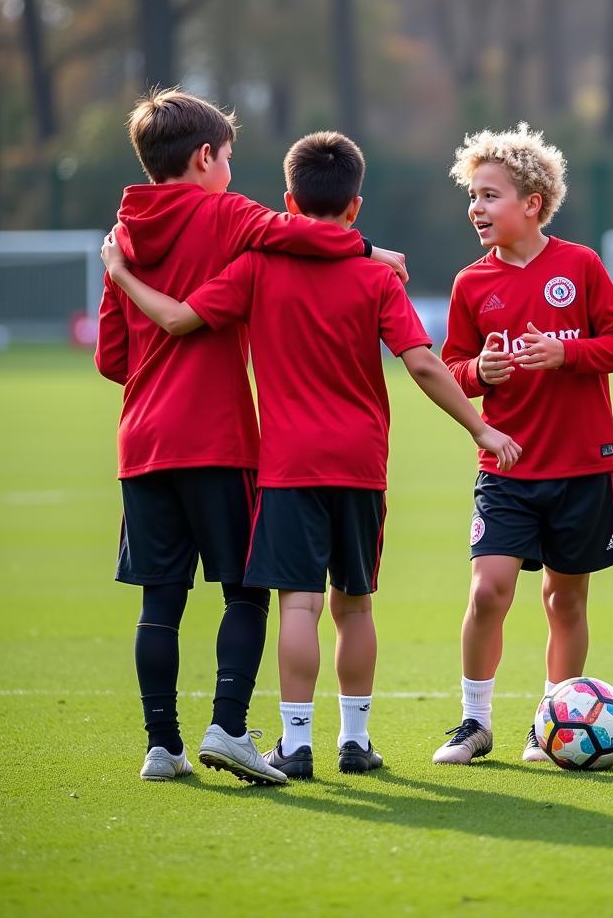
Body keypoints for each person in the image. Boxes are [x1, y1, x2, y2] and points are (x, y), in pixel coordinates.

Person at [102, 130, 522, 780]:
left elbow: (168, 327)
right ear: (354, 207)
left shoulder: (239, 266)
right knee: (348, 602)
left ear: (290, 200)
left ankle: (285, 745)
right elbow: (423, 364)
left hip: (271, 463)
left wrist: (121, 273)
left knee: (283, 603)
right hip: (350, 461)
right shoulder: (369, 275)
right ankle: (349, 739)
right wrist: (480, 428)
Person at [95, 90, 407, 785]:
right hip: (219, 435)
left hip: (142, 438)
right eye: (229, 157)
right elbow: (307, 235)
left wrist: (124, 288)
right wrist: (369, 249)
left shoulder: (122, 233)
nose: (232, 171)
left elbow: (111, 358)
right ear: (205, 157)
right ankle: (230, 729)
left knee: (160, 600)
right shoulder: (224, 212)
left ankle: (161, 746)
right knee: (245, 591)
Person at [434, 123, 613, 765]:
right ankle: (474, 722)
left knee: (564, 597)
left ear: (532, 201)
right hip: (506, 465)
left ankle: (553, 722)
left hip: (581, 465)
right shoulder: (471, 284)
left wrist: (568, 352)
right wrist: (479, 373)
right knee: (488, 589)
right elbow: (454, 363)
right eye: (473, 196)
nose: (476, 208)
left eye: (489, 195)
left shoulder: (579, 266)